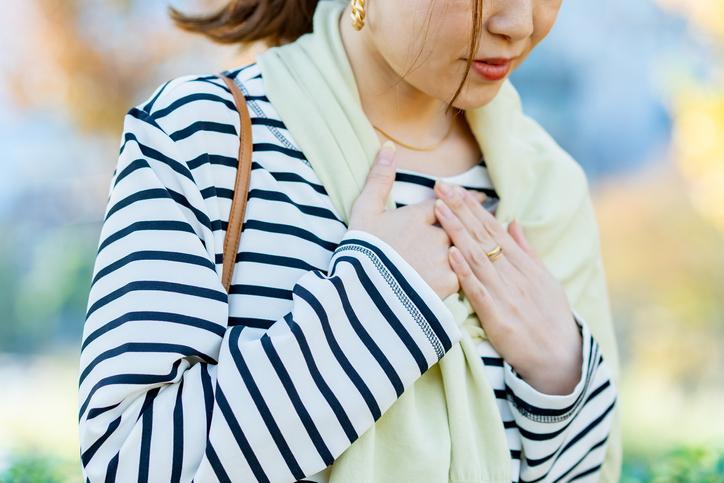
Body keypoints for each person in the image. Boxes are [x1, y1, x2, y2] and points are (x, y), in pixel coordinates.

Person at [77, 0, 620, 481]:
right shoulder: (201, 137)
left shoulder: (548, 188)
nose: (518, 22)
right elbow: (128, 462)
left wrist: (558, 378)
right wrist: (378, 306)